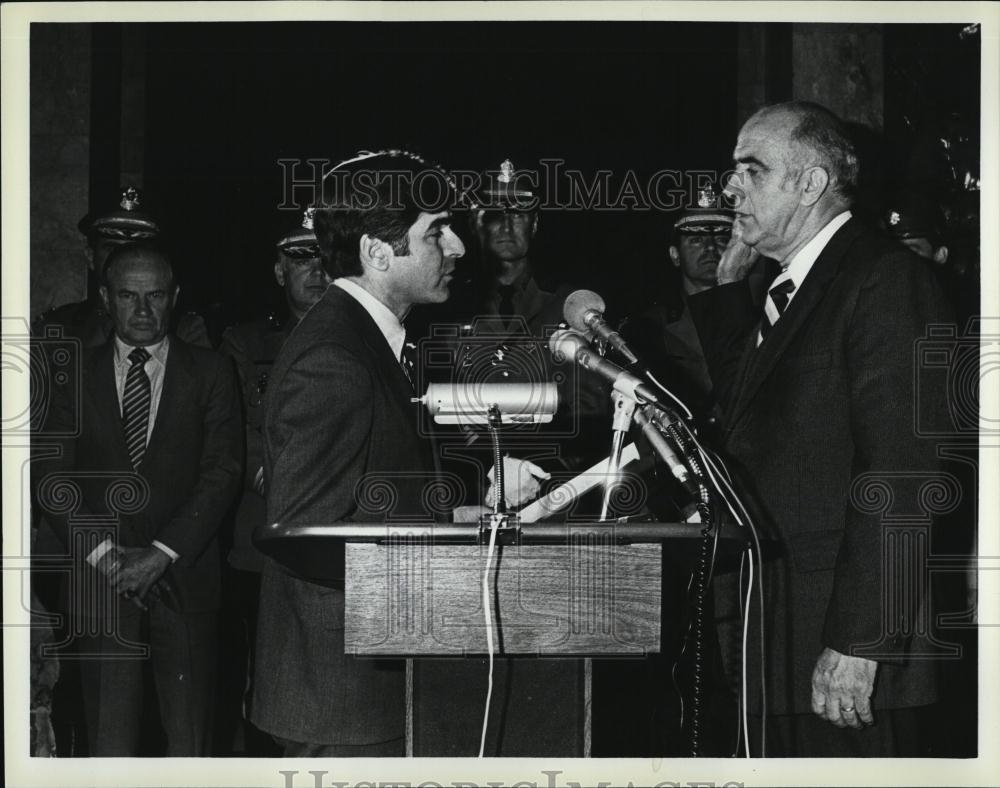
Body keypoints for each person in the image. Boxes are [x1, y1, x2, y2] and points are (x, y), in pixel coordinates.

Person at [687, 101, 952, 756]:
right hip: (781, 638)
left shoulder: (884, 279)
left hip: (848, 655)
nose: (730, 189)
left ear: (811, 183)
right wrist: (727, 288)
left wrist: (861, 641)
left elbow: (903, 471)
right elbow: (751, 417)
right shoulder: (787, 288)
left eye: (752, 170)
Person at [250, 150, 466, 756]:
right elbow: (306, 536)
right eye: (436, 232)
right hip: (342, 701)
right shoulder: (335, 357)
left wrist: (464, 513)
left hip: (359, 685)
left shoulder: (363, 338)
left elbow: (366, 498)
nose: (456, 248)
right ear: (377, 252)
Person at [35, 242, 242, 755]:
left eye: (156, 295)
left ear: (175, 296)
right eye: (129, 295)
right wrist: (109, 558)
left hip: (185, 578)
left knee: (191, 747)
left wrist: (160, 554)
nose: (144, 310)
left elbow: (223, 472)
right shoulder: (71, 373)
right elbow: (52, 480)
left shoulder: (212, 371)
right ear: (106, 298)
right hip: (101, 583)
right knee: (109, 746)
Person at [215, 209, 330, 754]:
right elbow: (229, 428)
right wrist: (284, 479)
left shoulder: (366, 338)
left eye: (325, 258)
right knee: (264, 683)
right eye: (300, 259)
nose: (316, 271)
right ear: (280, 271)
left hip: (337, 536)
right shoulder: (245, 342)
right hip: (262, 538)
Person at [33, 186, 210, 348]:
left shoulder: (183, 331)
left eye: (136, 249)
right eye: (112, 249)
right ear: (91, 257)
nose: (124, 261)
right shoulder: (58, 330)